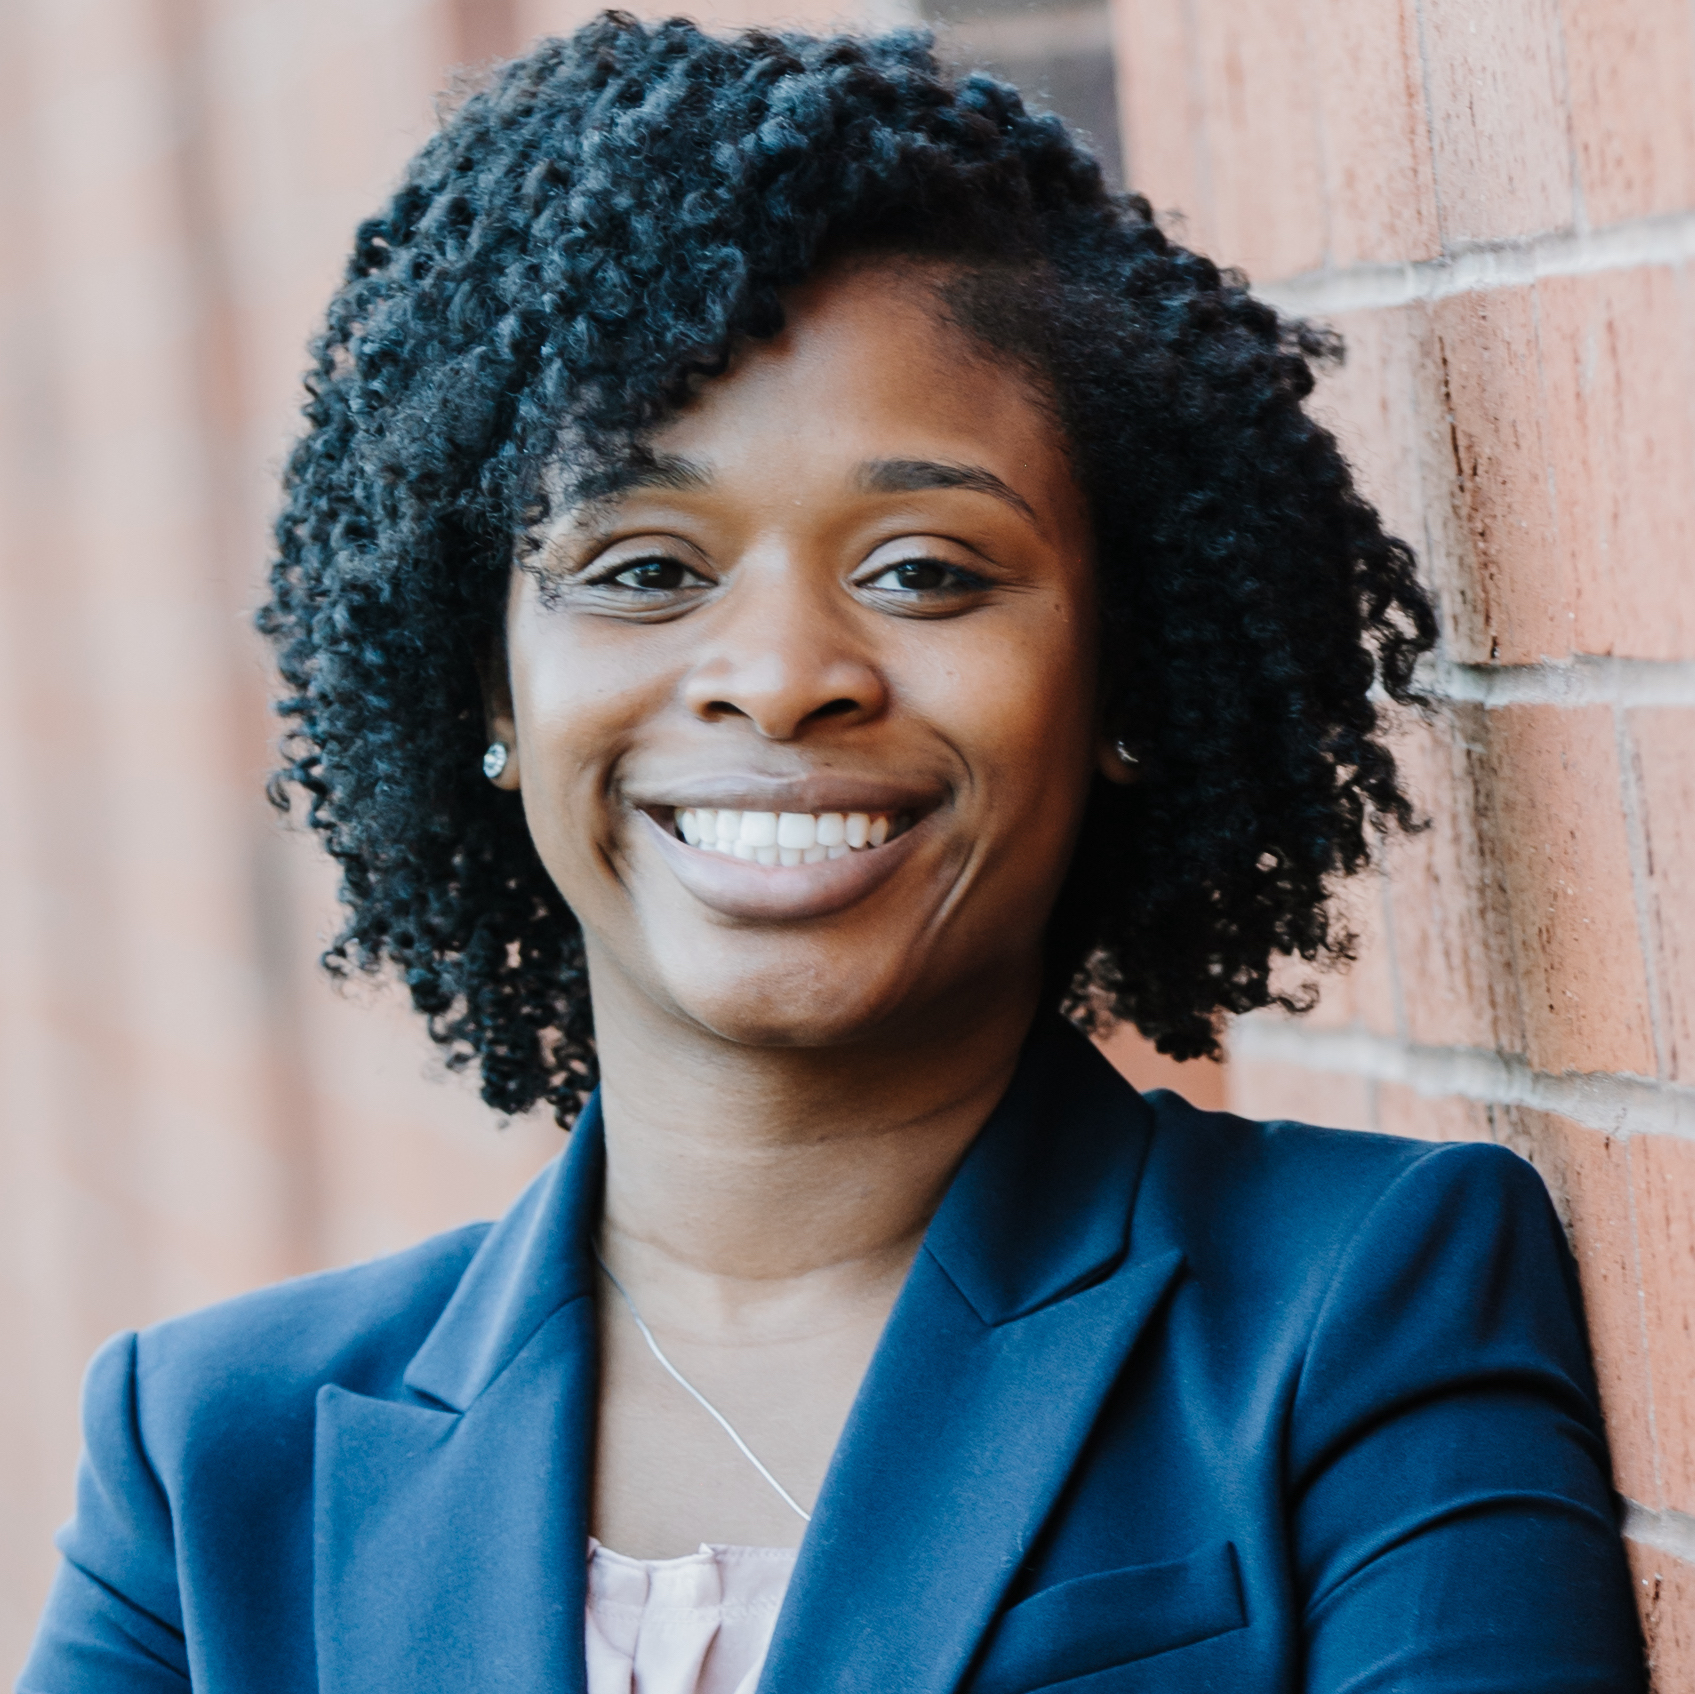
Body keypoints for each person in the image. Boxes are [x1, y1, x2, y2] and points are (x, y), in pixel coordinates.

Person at [21, 14, 1643, 1693]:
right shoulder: (211, 1461)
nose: (784, 671)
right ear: (485, 686)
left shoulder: (1357, 1306)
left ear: (1120, 674)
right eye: (645, 568)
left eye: (929, 569)